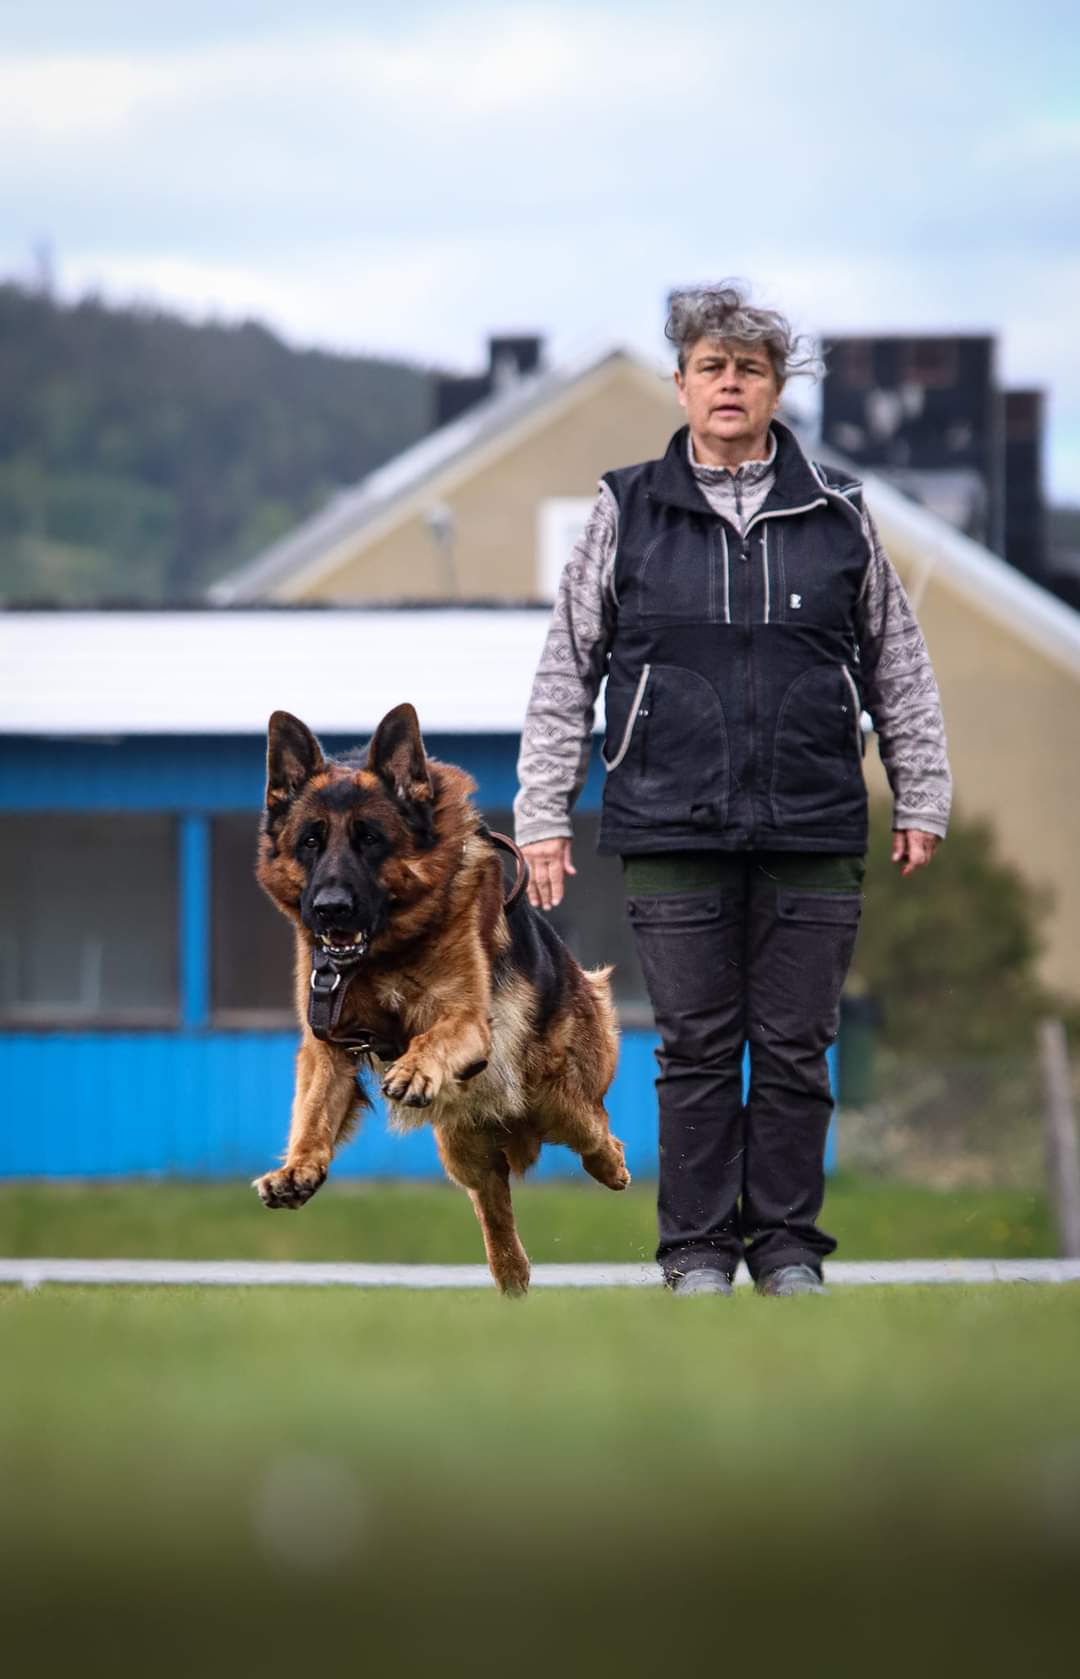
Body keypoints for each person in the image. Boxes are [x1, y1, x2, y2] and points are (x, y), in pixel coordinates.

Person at [513, 283, 952, 1297]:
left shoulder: (838, 509)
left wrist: (922, 793)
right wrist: (541, 815)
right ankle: (699, 1253)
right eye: (711, 366)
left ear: (776, 388)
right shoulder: (627, 508)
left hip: (813, 824)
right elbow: (566, 669)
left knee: (796, 1048)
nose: (729, 384)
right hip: (670, 823)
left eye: (749, 369)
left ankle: (789, 1249)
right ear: (681, 384)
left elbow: (900, 664)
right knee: (699, 1049)